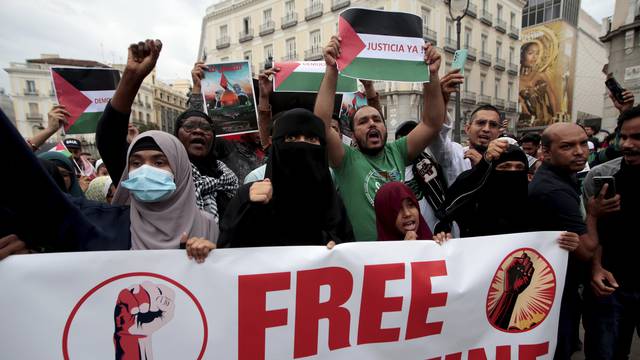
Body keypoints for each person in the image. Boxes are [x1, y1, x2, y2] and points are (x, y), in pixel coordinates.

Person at [314, 36, 445, 241]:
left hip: (400, 252)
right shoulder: (345, 160)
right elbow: (320, 126)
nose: (372, 124)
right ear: (354, 135)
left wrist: (432, 75)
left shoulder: (398, 151)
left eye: (377, 119)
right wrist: (331, 70)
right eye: (363, 122)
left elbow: (432, 123)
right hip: (365, 262)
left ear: (385, 127)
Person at [97, 40, 238, 222]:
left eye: (205, 128)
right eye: (189, 127)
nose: (198, 131)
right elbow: (109, 138)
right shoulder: (158, 179)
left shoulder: (228, 179)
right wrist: (132, 78)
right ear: (176, 137)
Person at [219, 108, 353, 248]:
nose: (301, 144)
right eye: (291, 138)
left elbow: (349, 248)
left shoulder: (332, 201)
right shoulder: (248, 195)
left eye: (311, 138)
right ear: (276, 145)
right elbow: (227, 252)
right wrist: (249, 210)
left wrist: (336, 249)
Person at [528, 122, 598, 359]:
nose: (579, 151)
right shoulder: (553, 190)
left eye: (582, 144)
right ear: (546, 152)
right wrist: (595, 214)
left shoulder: (564, 176)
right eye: (567, 146)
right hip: (557, 293)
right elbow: (587, 250)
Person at [582, 105, 640, 359]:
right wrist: (595, 268)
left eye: (637, 138)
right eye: (623, 136)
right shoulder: (600, 176)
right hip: (609, 285)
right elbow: (584, 232)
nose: (627, 144)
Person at [435, 140, 530, 237]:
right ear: (492, 170)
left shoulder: (531, 196)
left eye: (519, 167)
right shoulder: (475, 194)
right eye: (505, 166)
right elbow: (448, 210)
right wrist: (443, 233)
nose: (513, 171)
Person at [519, 42, 559, 126]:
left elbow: (551, 96)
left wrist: (556, 117)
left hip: (546, 119)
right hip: (528, 122)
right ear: (521, 55)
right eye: (530, 53)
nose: (534, 57)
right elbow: (521, 104)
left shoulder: (541, 76)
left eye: (537, 53)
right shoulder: (515, 80)